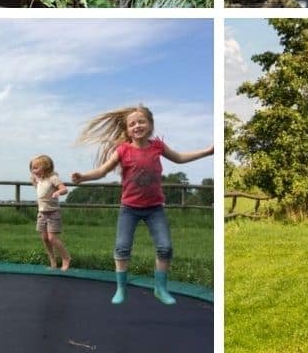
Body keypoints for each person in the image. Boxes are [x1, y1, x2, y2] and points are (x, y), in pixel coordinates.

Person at [72, 105, 213, 306]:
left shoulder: (158, 147)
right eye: (132, 124)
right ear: (128, 130)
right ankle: (121, 288)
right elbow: (102, 171)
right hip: (129, 209)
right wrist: (83, 177)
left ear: (150, 125)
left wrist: (207, 151)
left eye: (141, 121)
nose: (137, 125)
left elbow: (180, 158)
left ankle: (160, 288)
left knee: (165, 248)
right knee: (122, 248)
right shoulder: (123, 150)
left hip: (155, 208)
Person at [29, 154, 71, 270]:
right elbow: (41, 192)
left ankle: (66, 258)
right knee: (44, 238)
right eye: (33, 168)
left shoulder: (53, 178)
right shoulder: (40, 180)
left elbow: (64, 189)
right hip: (42, 213)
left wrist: (58, 192)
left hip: (53, 213)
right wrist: (34, 183)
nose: (34, 170)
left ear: (46, 167)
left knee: (52, 238)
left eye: (36, 167)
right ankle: (52, 260)